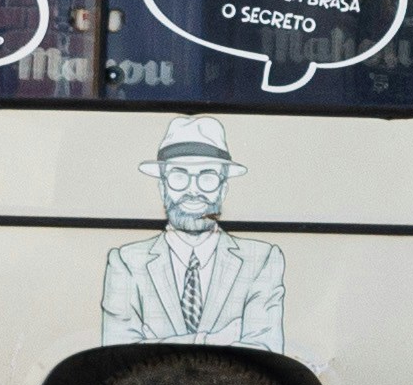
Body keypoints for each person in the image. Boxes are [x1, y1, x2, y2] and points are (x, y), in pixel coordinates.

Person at [98, 116, 287, 349]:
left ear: (223, 188)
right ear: (162, 186)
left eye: (207, 177)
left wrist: (152, 344)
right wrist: (210, 340)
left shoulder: (261, 259)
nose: (193, 190)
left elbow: (266, 350)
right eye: (179, 176)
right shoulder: (126, 262)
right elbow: (118, 353)